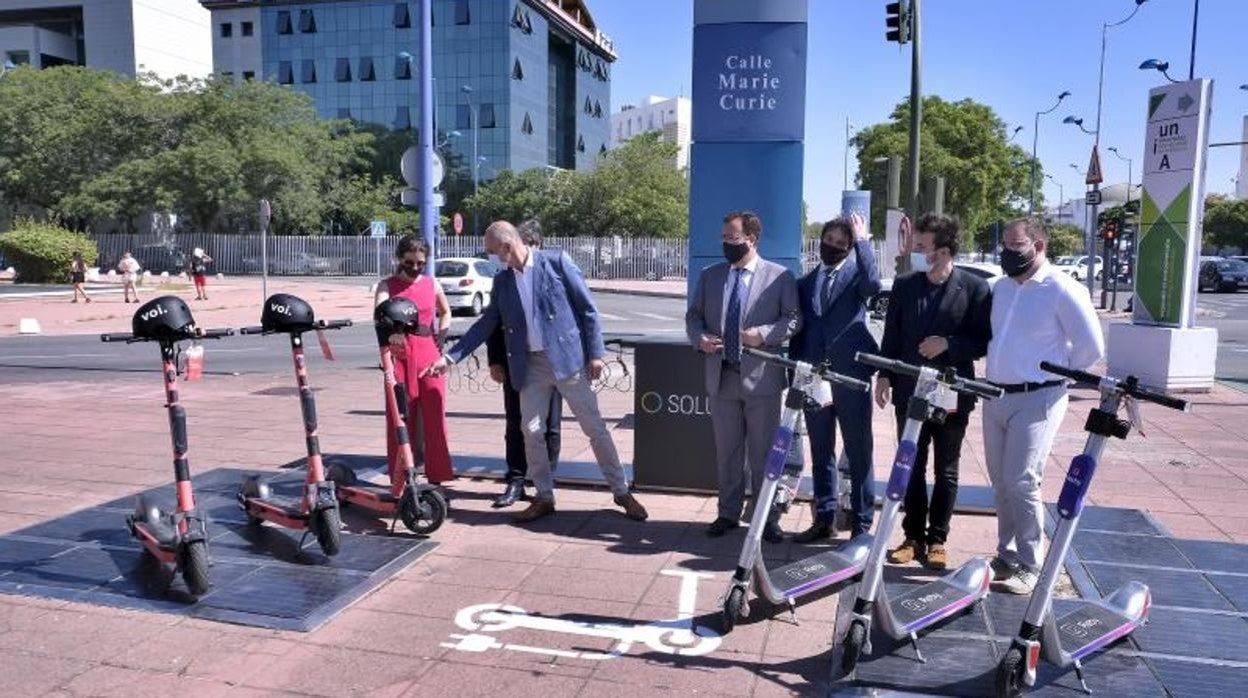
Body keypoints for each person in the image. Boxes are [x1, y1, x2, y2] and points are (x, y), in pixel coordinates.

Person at [423, 221, 648, 524]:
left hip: (569, 362)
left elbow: (587, 309)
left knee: (594, 428)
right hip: (530, 366)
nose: (491, 257)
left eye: (492, 251)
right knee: (530, 431)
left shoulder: (556, 262)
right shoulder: (503, 282)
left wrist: (596, 354)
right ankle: (544, 496)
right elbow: (486, 324)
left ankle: (621, 492)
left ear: (506, 246)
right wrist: (449, 358)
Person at [984, 217, 1103, 594]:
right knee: (1001, 481)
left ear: (1039, 247)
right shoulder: (1001, 288)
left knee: (1022, 481)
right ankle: (1004, 555)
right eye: (1004, 245)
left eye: (1015, 247)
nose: (1007, 254)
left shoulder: (1062, 288)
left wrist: (1059, 379)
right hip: (996, 395)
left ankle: (1032, 565)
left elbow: (1091, 348)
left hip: (1039, 397)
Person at [876, 214, 992, 570]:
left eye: (923, 245)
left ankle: (938, 539)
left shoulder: (974, 288)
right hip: (910, 389)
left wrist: (948, 344)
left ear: (942, 250)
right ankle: (912, 536)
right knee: (910, 464)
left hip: (952, 393)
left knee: (947, 470)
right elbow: (892, 334)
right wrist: (884, 374)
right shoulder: (906, 285)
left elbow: (982, 341)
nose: (917, 250)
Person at [685, 211, 801, 540]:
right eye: (723, 238)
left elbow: (793, 319)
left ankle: (766, 518)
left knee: (764, 453)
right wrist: (700, 339)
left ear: (751, 239)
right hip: (721, 377)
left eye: (731, 238)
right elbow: (693, 317)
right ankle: (728, 513)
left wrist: (763, 334)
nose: (725, 244)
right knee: (728, 452)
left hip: (762, 377)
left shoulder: (779, 277)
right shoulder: (711, 276)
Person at [788, 213, 881, 542]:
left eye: (842, 244)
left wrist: (864, 242)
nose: (833, 248)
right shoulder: (806, 281)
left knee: (858, 452)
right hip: (814, 377)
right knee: (821, 450)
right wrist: (795, 375)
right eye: (829, 241)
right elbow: (800, 332)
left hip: (850, 376)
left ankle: (862, 525)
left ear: (850, 246)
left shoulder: (858, 274)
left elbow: (874, 285)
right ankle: (824, 517)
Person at [486, 219, 563, 508]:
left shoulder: (552, 270)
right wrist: (495, 361)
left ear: (536, 246)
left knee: (550, 426)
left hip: (551, 362)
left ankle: (545, 483)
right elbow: (492, 323)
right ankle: (516, 480)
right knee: (516, 423)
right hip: (515, 362)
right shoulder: (504, 280)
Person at [376, 235, 455, 486]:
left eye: (421, 262)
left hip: (428, 354)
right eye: (410, 262)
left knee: (434, 417)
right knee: (399, 417)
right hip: (399, 355)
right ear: (400, 259)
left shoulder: (432, 284)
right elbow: (380, 315)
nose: (415, 267)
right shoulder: (387, 285)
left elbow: (446, 312)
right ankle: (401, 479)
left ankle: (438, 477)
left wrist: (441, 337)